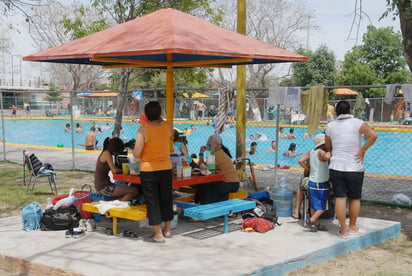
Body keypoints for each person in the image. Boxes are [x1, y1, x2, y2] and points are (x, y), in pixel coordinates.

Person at [325, 100, 377, 238]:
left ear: (336, 112)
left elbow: (328, 146)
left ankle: (343, 230)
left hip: (336, 166)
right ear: (350, 110)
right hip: (355, 166)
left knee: (340, 198)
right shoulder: (357, 123)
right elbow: (373, 135)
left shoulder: (330, 126)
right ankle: (353, 227)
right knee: (355, 198)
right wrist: (362, 150)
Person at [133, 101, 174, 243]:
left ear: (145, 115)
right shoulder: (167, 127)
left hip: (149, 169)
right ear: (160, 113)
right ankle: (167, 230)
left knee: (153, 201)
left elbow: (137, 153)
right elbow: (171, 130)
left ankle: (158, 233)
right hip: (166, 168)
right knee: (166, 198)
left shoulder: (143, 130)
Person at [298, 133, 332, 232]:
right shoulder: (321, 152)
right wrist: (331, 150)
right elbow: (327, 157)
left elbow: (300, 160)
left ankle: (315, 224)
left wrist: (307, 168)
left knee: (313, 205)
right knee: (324, 206)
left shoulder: (311, 152)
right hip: (320, 183)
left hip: (311, 182)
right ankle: (312, 219)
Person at [195, 134, 239, 205]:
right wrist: (201, 154)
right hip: (231, 183)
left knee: (205, 186)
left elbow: (207, 170)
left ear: (216, 144)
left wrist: (201, 164)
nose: (207, 145)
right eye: (207, 143)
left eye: (209, 144)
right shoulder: (218, 152)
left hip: (229, 183)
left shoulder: (216, 154)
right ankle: (200, 204)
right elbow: (206, 167)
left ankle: (203, 206)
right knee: (204, 185)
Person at [94, 137, 138, 201]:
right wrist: (127, 170)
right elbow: (114, 171)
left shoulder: (105, 152)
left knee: (132, 189)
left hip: (104, 185)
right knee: (134, 191)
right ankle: (117, 205)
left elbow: (114, 169)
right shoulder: (107, 153)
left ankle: (118, 202)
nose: (117, 153)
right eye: (117, 151)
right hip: (103, 187)